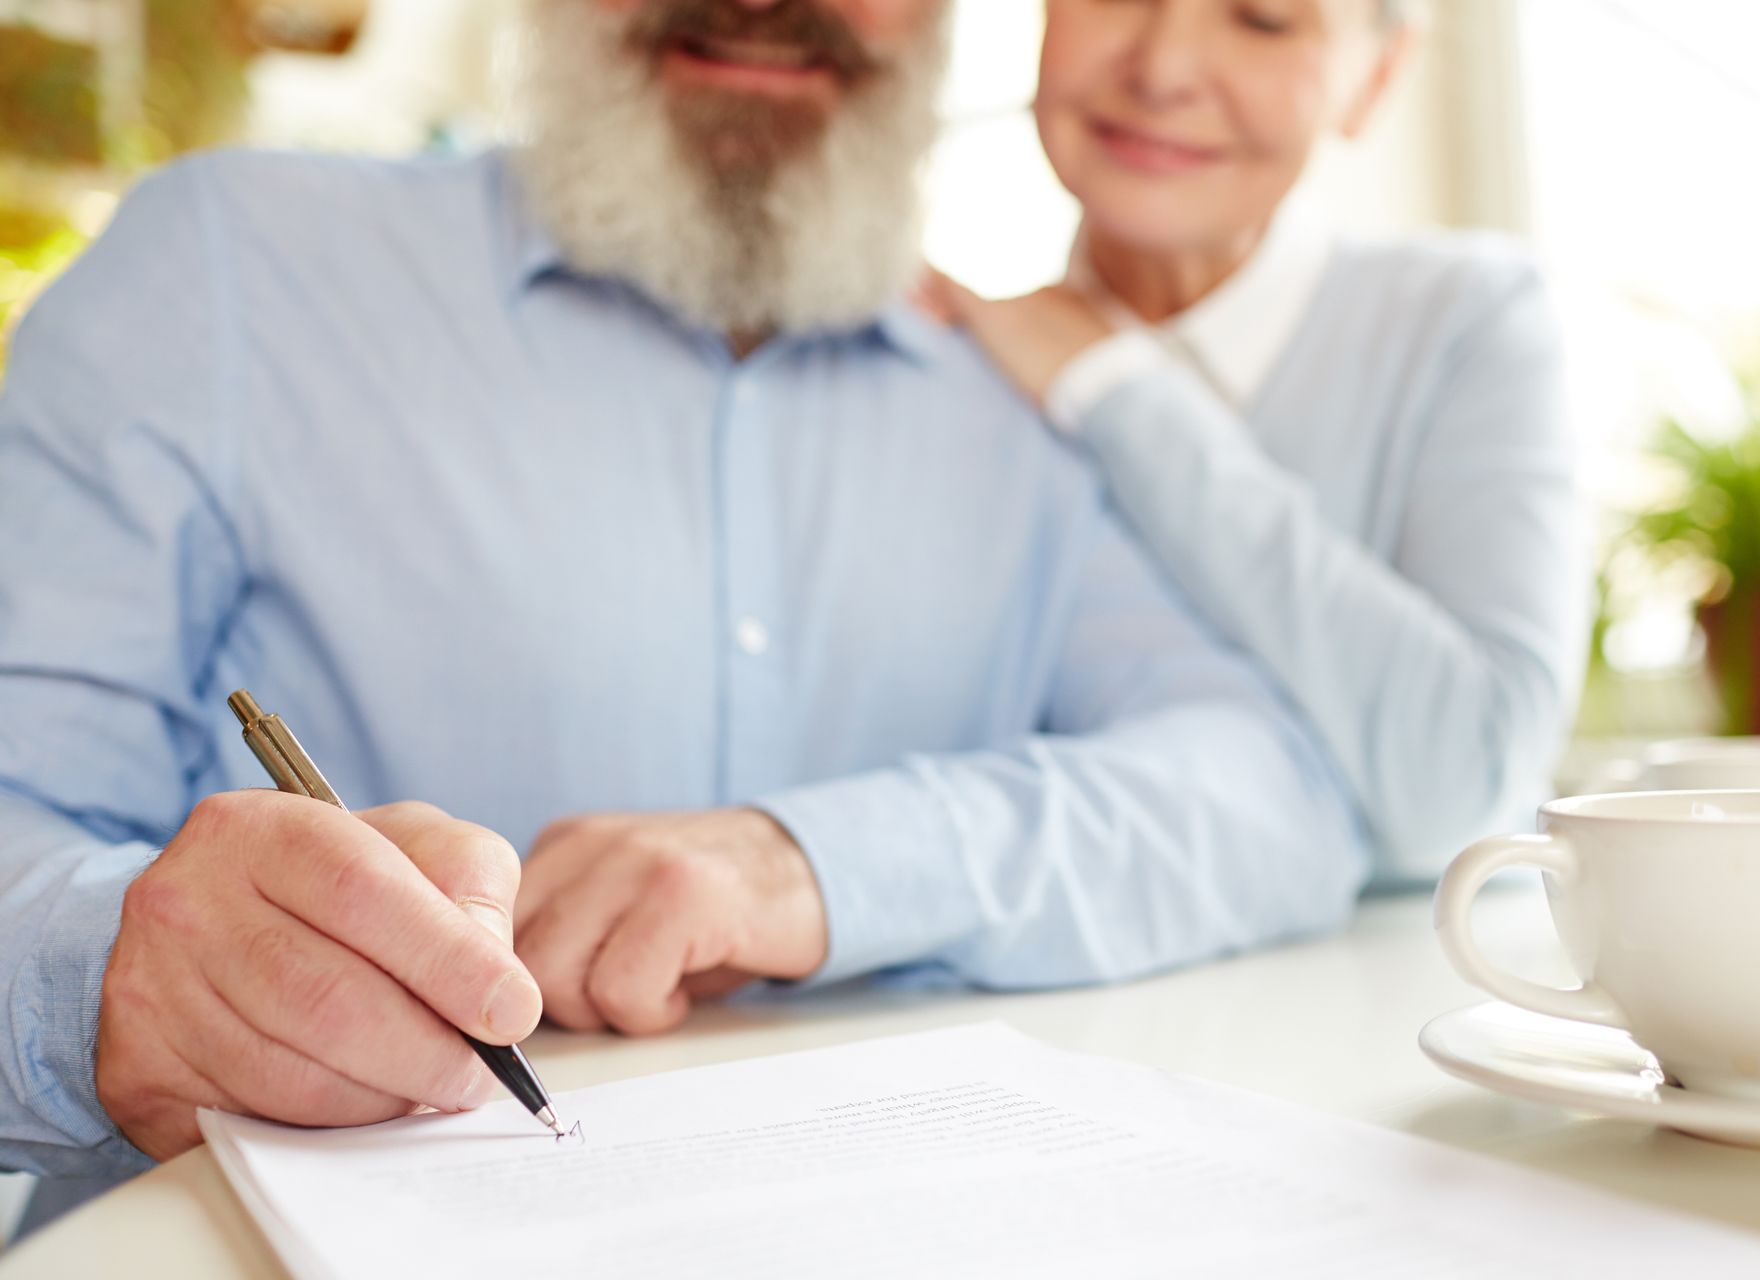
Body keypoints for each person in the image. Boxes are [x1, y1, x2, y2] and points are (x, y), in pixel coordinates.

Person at [0, 0, 1369, 1227]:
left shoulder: (1017, 392)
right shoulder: (233, 267)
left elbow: (1275, 793)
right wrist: (117, 972)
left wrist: (817, 862)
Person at [923, 0, 1589, 882]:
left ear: (1378, 75)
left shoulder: (1466, 322)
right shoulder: (955, 363)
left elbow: (1463, 788)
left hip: (1406, 1000)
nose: (1162, 69)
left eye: (1264, 18)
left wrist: (1117, 389)